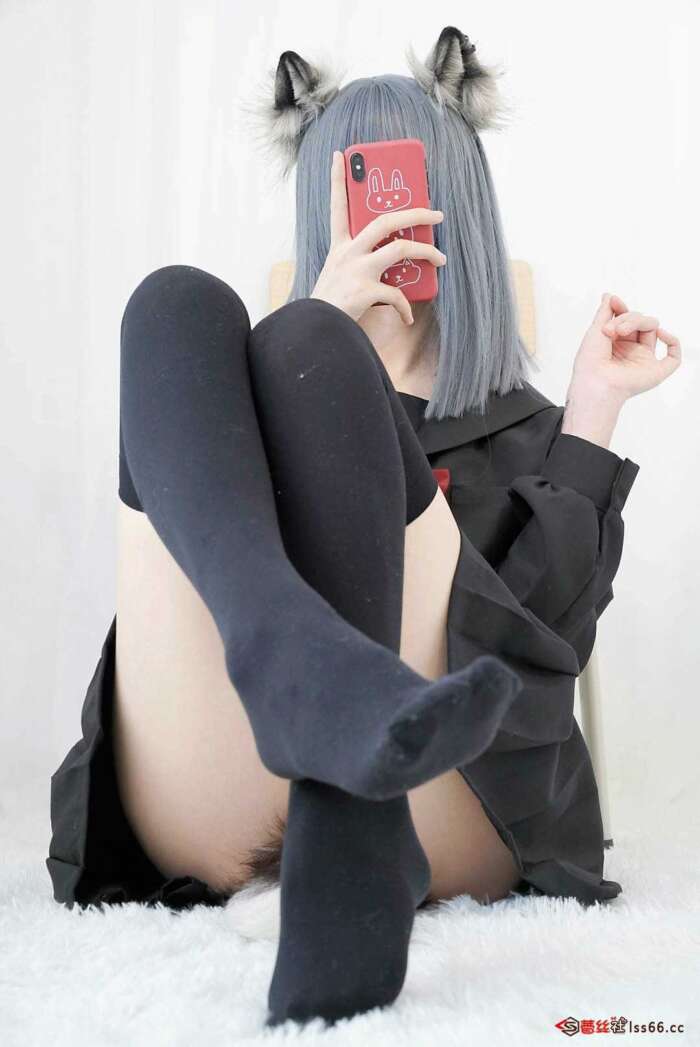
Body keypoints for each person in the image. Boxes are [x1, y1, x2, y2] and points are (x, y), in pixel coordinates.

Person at [46, 26, 681, 1029]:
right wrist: (320, 338)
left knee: (308, 347)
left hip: (443, 799)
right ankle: (293, 675)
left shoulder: (524, 430)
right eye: (359, 188)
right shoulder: (232, 400)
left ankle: (343, 788)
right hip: (219, 784)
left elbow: (542, 646)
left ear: (454, 205)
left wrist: (592, 409)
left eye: (404, 186)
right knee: (174, 303)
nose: (385, 215)